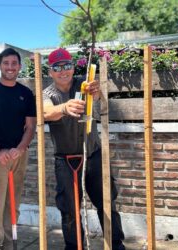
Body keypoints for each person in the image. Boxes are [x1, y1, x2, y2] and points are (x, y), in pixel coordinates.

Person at [43, 48, 126, 250]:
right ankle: (74, 246)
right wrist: (63, 108)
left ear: (73, 67)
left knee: (106, 203)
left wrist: (97, 94)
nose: (63, 71)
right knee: (69, 209)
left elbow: (100, 100)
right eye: (58, 67)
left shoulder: (85, 83)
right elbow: (46, 112)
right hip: (66, 160)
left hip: (93, 155)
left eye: (67, 66)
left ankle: (116, 245)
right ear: (51, 72)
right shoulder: (48, 94)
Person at [0, 48, 37, 250]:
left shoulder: (26, 93)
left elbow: (30, 127)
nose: (10, 67)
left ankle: (9, 244)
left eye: (14, 63)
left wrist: (20, 149)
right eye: (6, 63)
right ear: (0, 65)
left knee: (13, 203)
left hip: (19, 155)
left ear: (19, 66)